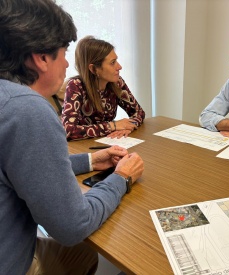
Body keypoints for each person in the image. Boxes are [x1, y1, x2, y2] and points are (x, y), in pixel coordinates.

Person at [0, 0, 144, 274]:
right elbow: (73, 226)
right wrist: (121, 177)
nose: (67, 63)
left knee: (81, 256)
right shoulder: (27, 109)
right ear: (42, 58)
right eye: (64, 52)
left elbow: (23, 167)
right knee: (83, 250)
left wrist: (90, 160)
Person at [62, 36, 145, 140]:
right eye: (112, 62)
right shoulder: (75, 86)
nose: (119, 67)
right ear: (93, 69)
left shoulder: (117, 82)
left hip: (108, 143)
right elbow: (68, 130)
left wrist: (128, 127)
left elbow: (139, 112)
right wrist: (112, 126)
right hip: (83, 148)